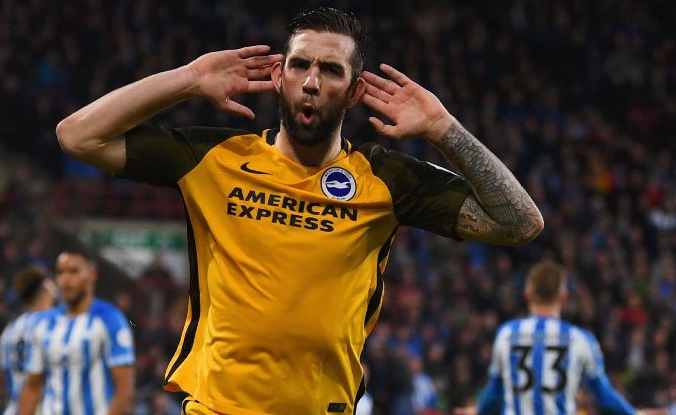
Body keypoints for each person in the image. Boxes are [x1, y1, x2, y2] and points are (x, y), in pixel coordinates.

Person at [54, 6, 544, 414]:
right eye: (299, 65)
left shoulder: (385, 179)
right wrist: (186, 80)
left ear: (354, 92)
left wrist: (442, 127)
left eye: (330, 70)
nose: (311, 82)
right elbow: (77, 135)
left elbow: (520, 223)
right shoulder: (216, 159)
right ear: (278, 74)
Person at [455, 261, 663, 415]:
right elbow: (603, 394)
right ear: (564, 297)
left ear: (527, 294)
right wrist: (637, 414)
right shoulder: (581, 339)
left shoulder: (506, 334)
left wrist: (478, 411)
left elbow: (495, 392)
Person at [17, 251, 135, 415]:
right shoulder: (42, 324)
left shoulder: (110, 319)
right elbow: (32, 387)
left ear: (92, 275)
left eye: (73, 271)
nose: (66, 279)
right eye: (60, 272)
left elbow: (124, 390)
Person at [0, 267, 57, 415]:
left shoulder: (9, 331)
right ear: (44, 293)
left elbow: (5, 373)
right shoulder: (53, 326)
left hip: (15, 408)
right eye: (52, 291)